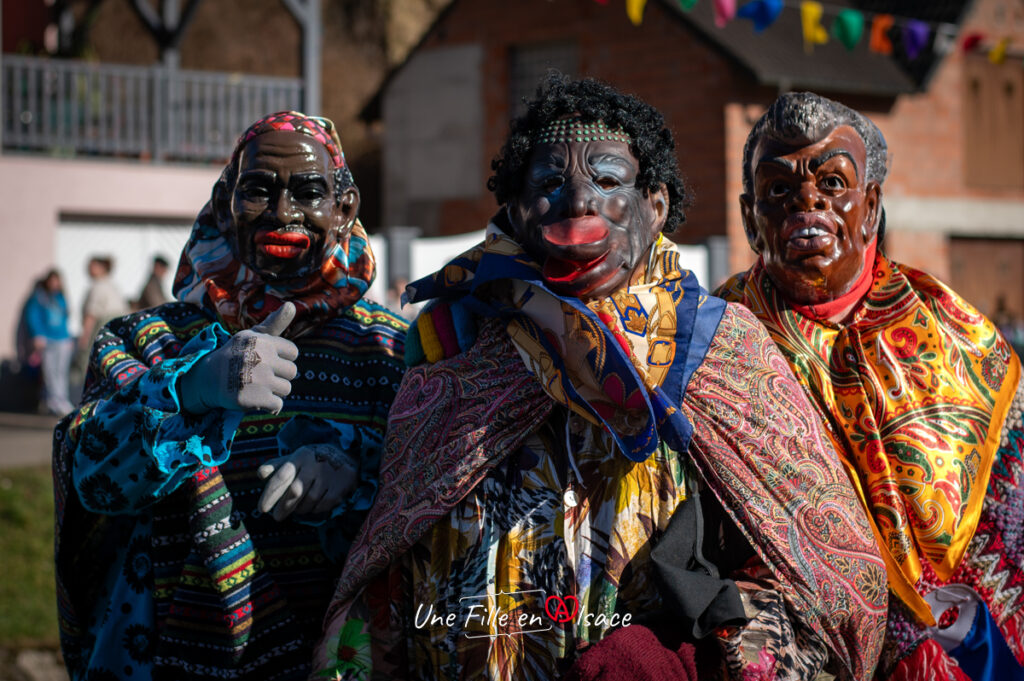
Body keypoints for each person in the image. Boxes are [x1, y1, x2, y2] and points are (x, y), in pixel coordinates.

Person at [314, 75, 887, 681]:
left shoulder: (718, 343)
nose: (578, 203)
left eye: (608, 182)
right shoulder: (453, 336)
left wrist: (675, 662)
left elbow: (823, 572)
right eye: (548, 184)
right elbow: (391, 543)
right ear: (512, 207)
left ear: (656, 205)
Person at [52, 111, 407, 680]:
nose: (283, 213)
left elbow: (441, 496)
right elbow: (89, 477)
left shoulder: (390, 350)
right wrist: (190, 388)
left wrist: (355, 467)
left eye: (309, 191)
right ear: (224, 206)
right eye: (258, 190)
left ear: (345, 211)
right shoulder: (145, 340)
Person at [717, 92, 1024, 680]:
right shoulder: (717, 342)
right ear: (750, 217)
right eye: (779, 190)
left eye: (832, 183)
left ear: (872, 205)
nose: (807, 201)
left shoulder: (955, 331)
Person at [21, 269, 74, 415]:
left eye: (57, 280)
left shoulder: (61, 297)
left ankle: (62, 399)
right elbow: (32, 317)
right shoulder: (39, 297)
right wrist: (37, 335)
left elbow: (64, 319)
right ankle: (53, 399)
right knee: (50, 371)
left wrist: (68, 337)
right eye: (52, 280)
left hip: (62, 339)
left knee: (61, 371)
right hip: (47, 340)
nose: (54, 283)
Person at [78, 255, 129, 349]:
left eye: (92, 266)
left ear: (101, 268)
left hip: (102, 330)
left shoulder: (99, 286)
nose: (89, 269)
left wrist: (85, 337)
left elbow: (92, 314)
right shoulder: (113, 285)